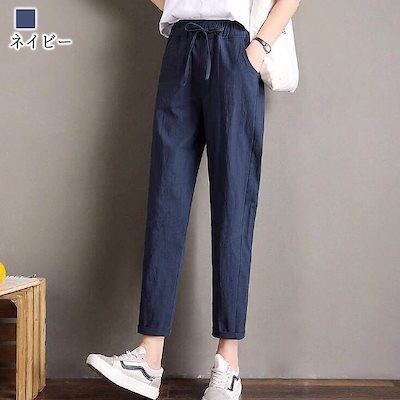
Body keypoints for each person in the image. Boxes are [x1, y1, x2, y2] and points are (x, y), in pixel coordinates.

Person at [87, 0, 301, 399]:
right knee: (165, 201)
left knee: (233, 204)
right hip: (181, 44)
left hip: (237, 49)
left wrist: (259, 47)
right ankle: (148, 358)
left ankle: (228, 364)